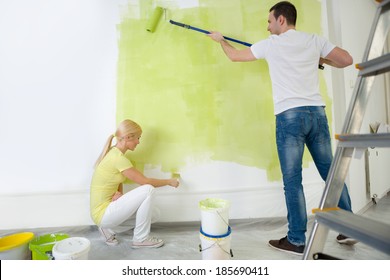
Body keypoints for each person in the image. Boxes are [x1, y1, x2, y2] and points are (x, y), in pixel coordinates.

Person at [207, 1, 356, 255]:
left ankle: (297, 240)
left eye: (269, 21)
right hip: (316, 114)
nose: (267, 27)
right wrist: (318, 59)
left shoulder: (270, 45)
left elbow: (234, 56)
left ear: (281, 20)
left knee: (292, 180)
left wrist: (220, 40)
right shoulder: (313, 40)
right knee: (331, 172)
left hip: (290, 118)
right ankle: (350, 228)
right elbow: (346, 60)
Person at [90, 119, 179, 248]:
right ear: (127, 137)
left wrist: (119, 194)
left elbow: (116, 180)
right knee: (148, 189)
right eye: (137, 138)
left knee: (154, 215)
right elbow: (145, 182)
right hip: (102, 214)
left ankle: (108, 229)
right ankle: (141, 239)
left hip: (105, 211)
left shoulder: (113, 152)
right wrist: (169, 182)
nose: (138, 142)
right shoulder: (118, 159)